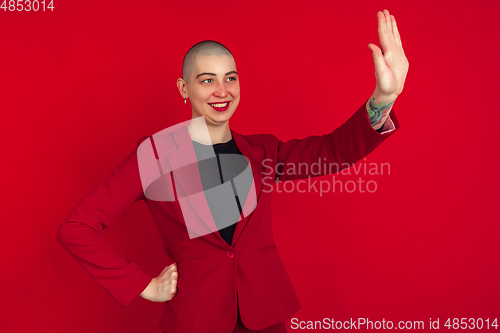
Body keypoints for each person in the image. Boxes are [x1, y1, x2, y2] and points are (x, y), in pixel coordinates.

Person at [57, 9, 408, 333]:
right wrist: (144, 286)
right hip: (196, 319)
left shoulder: (263, 151)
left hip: (266, 316)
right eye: (207, 80)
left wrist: (382, 98)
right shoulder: (155, 155)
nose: (222, 91)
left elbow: (332, 152)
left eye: (230, 78)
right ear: (184, 88)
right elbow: (76, 227)